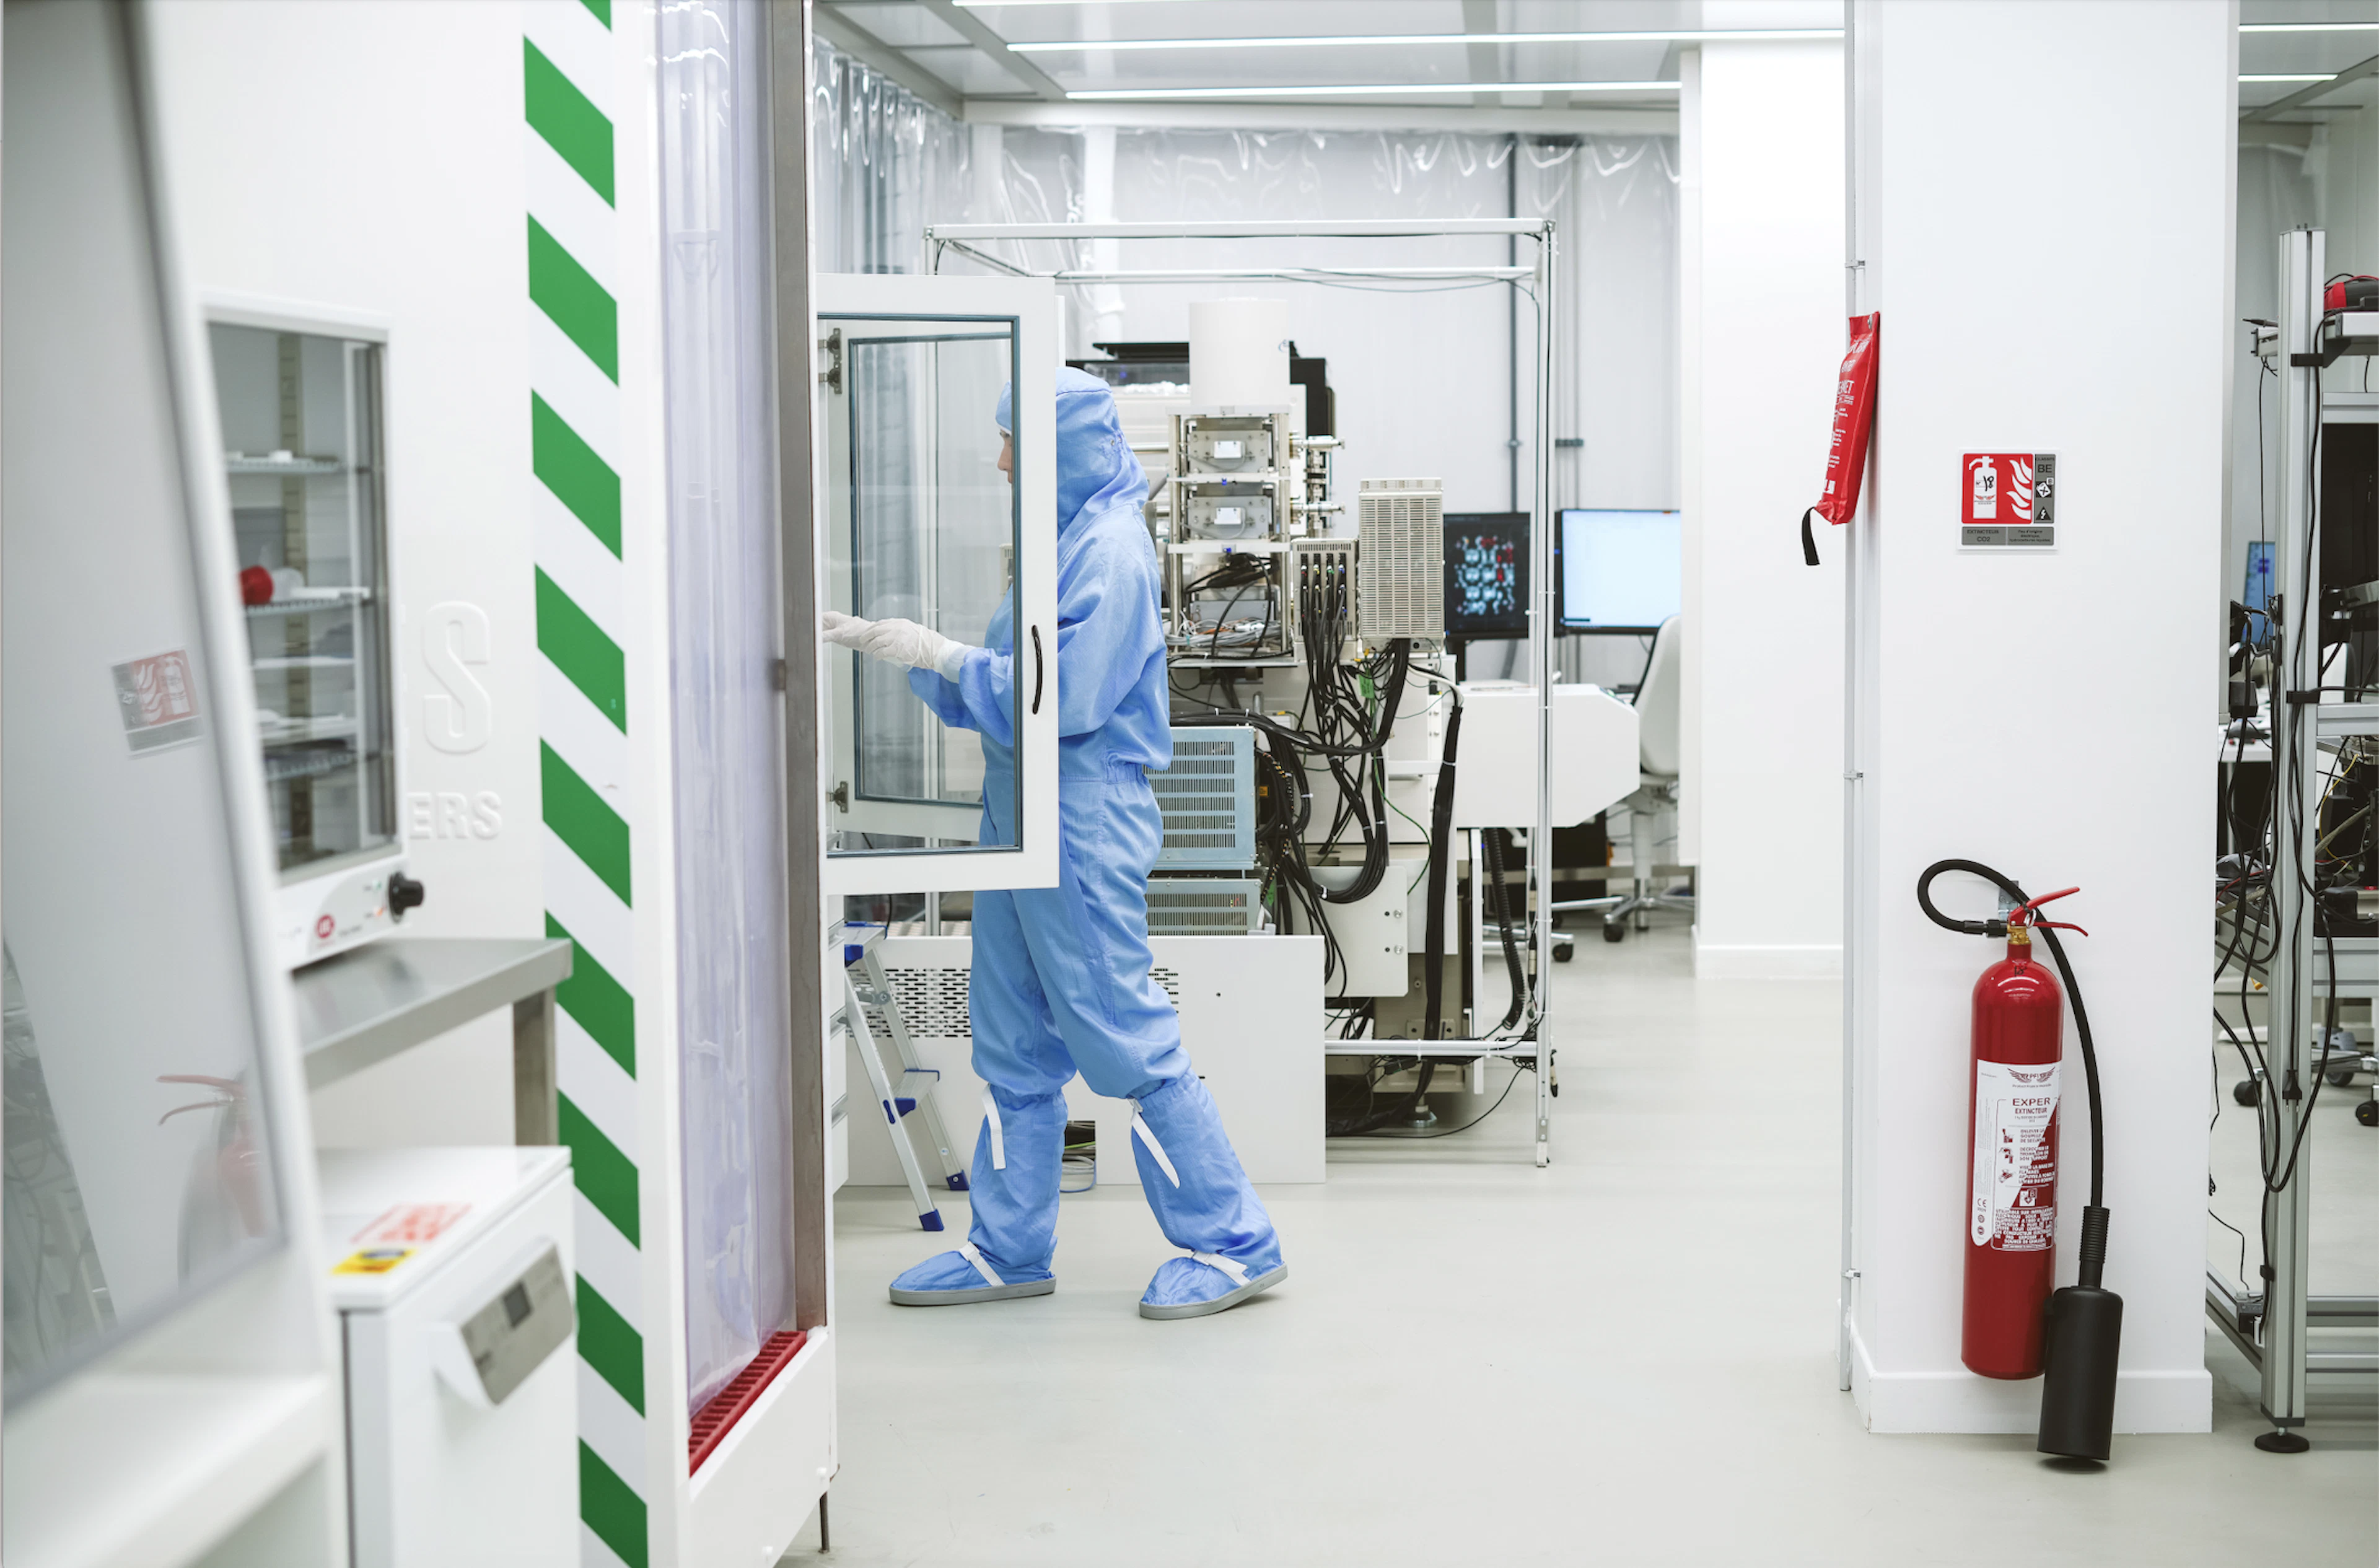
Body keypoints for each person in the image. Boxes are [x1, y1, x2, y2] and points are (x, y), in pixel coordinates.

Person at [822, 369, 1286, 1320]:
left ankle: (1234, 1241)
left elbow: (1060, 696)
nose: (1000, 462)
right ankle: (1008, 1246)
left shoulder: (1109, 550)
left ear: (1061, 449)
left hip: (1078, 821)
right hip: (1016, 812)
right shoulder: (1059, 543)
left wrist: (945, 656)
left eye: (1013, 442)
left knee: (1123, 1035)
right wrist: (916, 656)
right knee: (1014, 1043)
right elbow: (1009, 685)